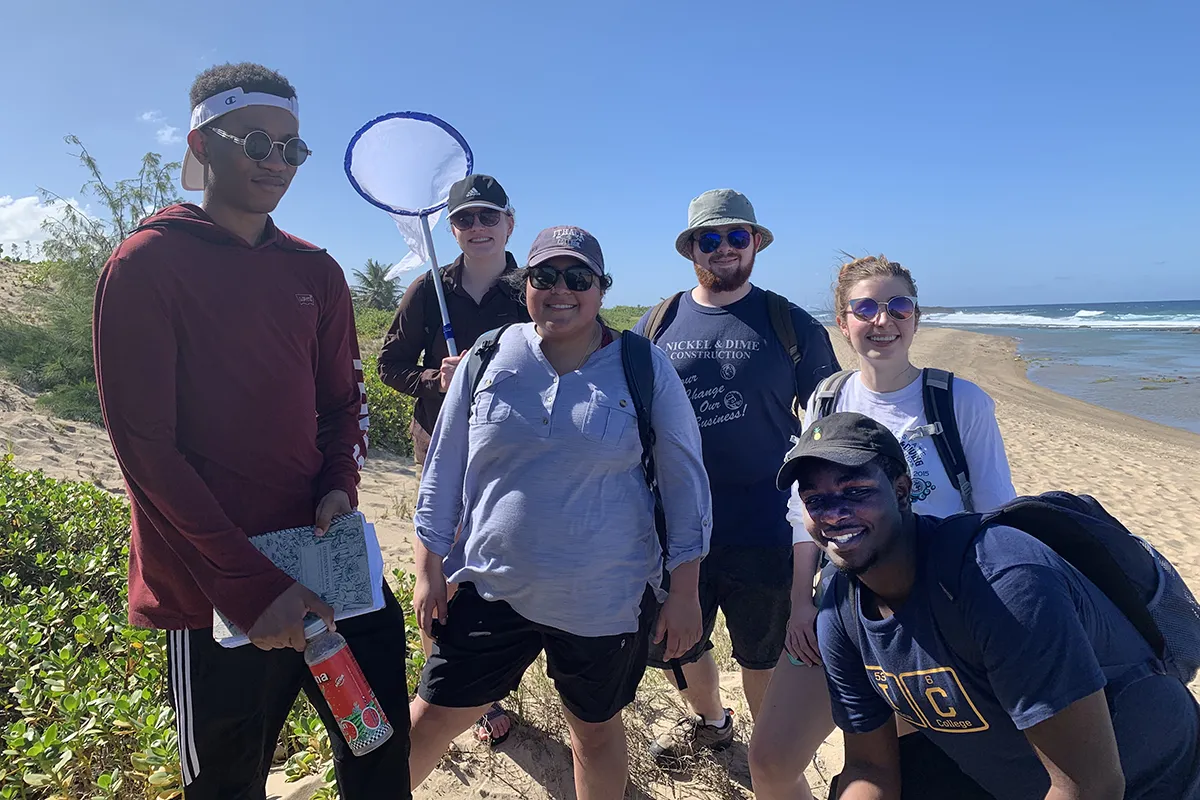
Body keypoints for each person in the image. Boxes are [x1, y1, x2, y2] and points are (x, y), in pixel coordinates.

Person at [92, 63, 411, 799]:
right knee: (228, 787)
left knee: (378, 759)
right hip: (216, 587)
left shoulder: (317, 271)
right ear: (205, 143)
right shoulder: (145, 265)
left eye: (294, 150)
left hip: (330, 570)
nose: (278, 163)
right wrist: (248, 583)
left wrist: (338, 483)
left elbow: (342, 406)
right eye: (259, 142)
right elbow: (144, 448)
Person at [407, 225, 712, 799]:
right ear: (526, 285)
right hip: (491, 585)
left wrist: (686, 592)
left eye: (578, 277)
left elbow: (685, 487)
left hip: (606, 599)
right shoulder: (488, 356)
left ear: (601, 289)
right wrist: (428, 565)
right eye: (545, 276)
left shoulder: (643, 366)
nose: (560, 289)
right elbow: (444, 466)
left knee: (593, 733)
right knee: (430, 716)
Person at [779, 411, 1200, 799]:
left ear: (902, 490)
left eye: (856, 491)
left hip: (1154, 781)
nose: (833, 514)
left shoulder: (1002, 582)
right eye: (815, 500)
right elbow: (870, 767)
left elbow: (1091, 786)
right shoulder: (841, 607)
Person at [749, 254, 1016, 799]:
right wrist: (803, 602)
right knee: (771, 759)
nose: (882, 320)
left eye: (898, 306)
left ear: (915, 317)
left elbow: (997, 516)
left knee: (886, 764)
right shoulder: (826, 400)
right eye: (865, 308)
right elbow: (805, 513)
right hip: (842, 604)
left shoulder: (958, 401)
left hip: (939, 609)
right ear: (843, 323)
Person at [632, 189, 839, 765]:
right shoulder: (658, 322)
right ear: (691, 249)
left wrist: (826, 521)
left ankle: (769, 751)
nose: (724, 249)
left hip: (766, 526)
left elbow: (828, 430)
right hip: (674, 528)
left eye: (736, 237)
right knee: (682, 644)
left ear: (755, 243)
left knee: (763, 654)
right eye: (710, 238)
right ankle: (712, 723)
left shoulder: (790, 323)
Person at [377, 172, 528, 745]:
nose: (477, 227)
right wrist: (433, 379)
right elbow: (389, 364)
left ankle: (496, 680)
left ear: (509, 222)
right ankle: (451, 684)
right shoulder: (427, 290)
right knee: (438, 568)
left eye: (489, 216)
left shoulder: (531, 289)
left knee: (499, 568)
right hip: (442, 449)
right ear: (452, 229)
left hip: (513, 455)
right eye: (464, 219)